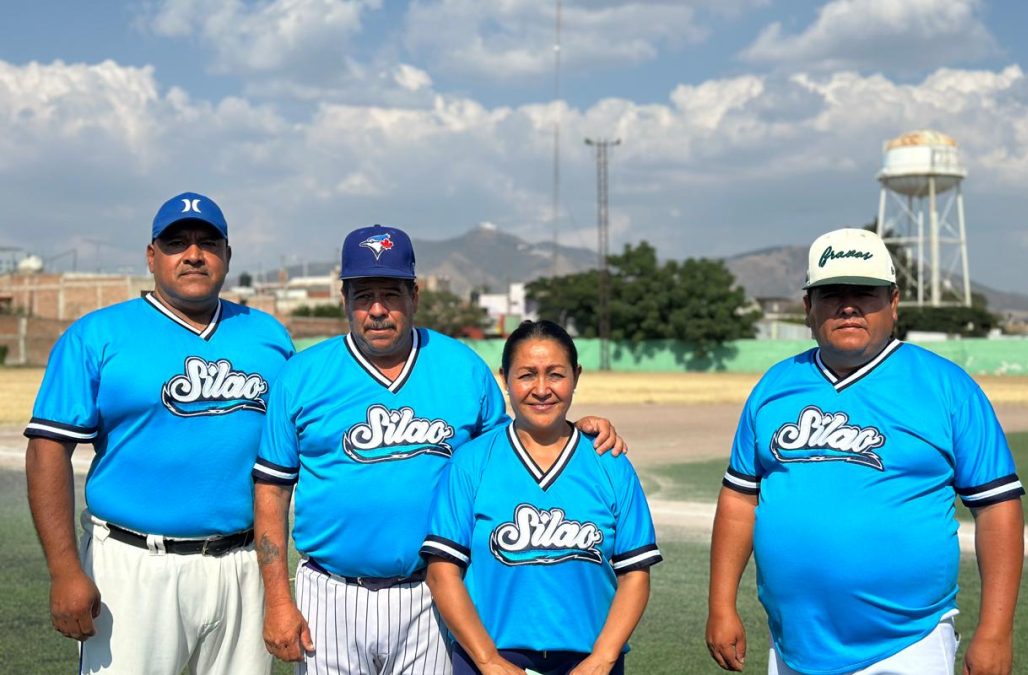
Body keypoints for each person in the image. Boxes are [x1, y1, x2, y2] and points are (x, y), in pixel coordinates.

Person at [252, 225, 626, 674]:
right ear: (343, 298)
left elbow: (511, 454)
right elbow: (272, 491)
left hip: (433, 594)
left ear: (415, 295)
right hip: (330, 594)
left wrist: (576, 429)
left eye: (390, 294)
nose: (376, 309)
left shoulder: (462, 368)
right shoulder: (303, 375)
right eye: (362, 294)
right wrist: (277, 599)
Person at [706, 227, 1025, 675]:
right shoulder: (774, 387)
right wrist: (721, 603)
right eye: (832, 293)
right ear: (808, 308)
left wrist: (996, 631)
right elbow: (740, 498)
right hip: (794, 645)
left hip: (910, 643)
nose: (849, 305)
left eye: (866, 293)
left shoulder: (947, 387)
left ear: (893, 303)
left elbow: (997, 509)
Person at [24, 192, 294, 674]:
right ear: (152, 257)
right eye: (177, 243)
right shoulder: (97, 334)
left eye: (207, 242)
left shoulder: (268, 335)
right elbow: (48, 451)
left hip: (242, 564)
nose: (193, 254)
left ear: (227, 256)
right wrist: (65, 571)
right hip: (133, 565)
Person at [421, 320, 662, 675]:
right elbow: (442, 571)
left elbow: (635, 573)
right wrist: (488, 660)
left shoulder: (609, 464)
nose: (542, 389)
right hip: (490, 659)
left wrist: (603, 658)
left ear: (576, 376)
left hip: (589, 661)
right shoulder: (471, 462)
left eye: (555, 374)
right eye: (527, 375)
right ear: (505, 379)